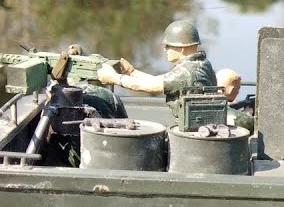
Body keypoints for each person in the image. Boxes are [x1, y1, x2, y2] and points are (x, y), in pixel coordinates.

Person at [97, 20, 251, 130]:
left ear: (181, 48)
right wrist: (132, 72)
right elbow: (159, 80)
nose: (165, 49)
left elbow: (149, 86)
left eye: (168, 46)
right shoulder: (200, 63)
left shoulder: (186, 72)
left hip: (195, 128)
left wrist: (114, 78)